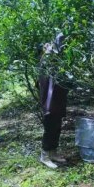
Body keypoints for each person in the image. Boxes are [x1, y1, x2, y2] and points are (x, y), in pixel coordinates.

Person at [38, 33, 69, 169]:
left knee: (57, 127)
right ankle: (44, 156)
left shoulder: (58, 62)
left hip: (57, 100)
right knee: (50, 128)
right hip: (49, 102)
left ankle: (53, 153)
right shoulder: (46, 62)